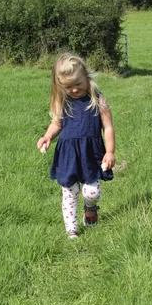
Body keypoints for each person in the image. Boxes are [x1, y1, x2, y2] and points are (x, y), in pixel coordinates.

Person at [37, 53, 116, 239]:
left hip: (91, 154)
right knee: (70, 192)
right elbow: (57, 123)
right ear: (60, 85)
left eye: (78, 84)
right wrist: (47, 136)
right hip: (68, 155)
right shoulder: (62, 100)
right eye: (68, 86)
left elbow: (108, 127)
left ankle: (90, 208)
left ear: (87, 78)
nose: (73, 90)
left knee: (92, 191)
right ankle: (71, 230)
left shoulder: (98, 99)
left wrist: (110, 151)